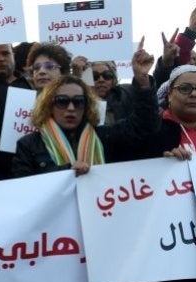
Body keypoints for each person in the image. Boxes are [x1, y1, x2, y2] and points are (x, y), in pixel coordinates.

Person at [123, 65, 196, 282]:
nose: (194, 94)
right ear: (169, 94)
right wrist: (160, 161)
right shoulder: (152, 131)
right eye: (185, 88)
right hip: (168, 246)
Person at [12, 39, 158, 178]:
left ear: (87, 106)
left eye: (79, 102)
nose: (70, 108)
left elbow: (143, 126)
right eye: (62, 101)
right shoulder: (28, 146)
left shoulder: (104, 137)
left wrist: (142, 80)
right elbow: (25, 190)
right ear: (49, 105)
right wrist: (67, 173)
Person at [0, 43, 33, 180]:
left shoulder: (31, 84)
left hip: (27, 162)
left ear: (13, 55)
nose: (0, 59)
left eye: (5, 54)